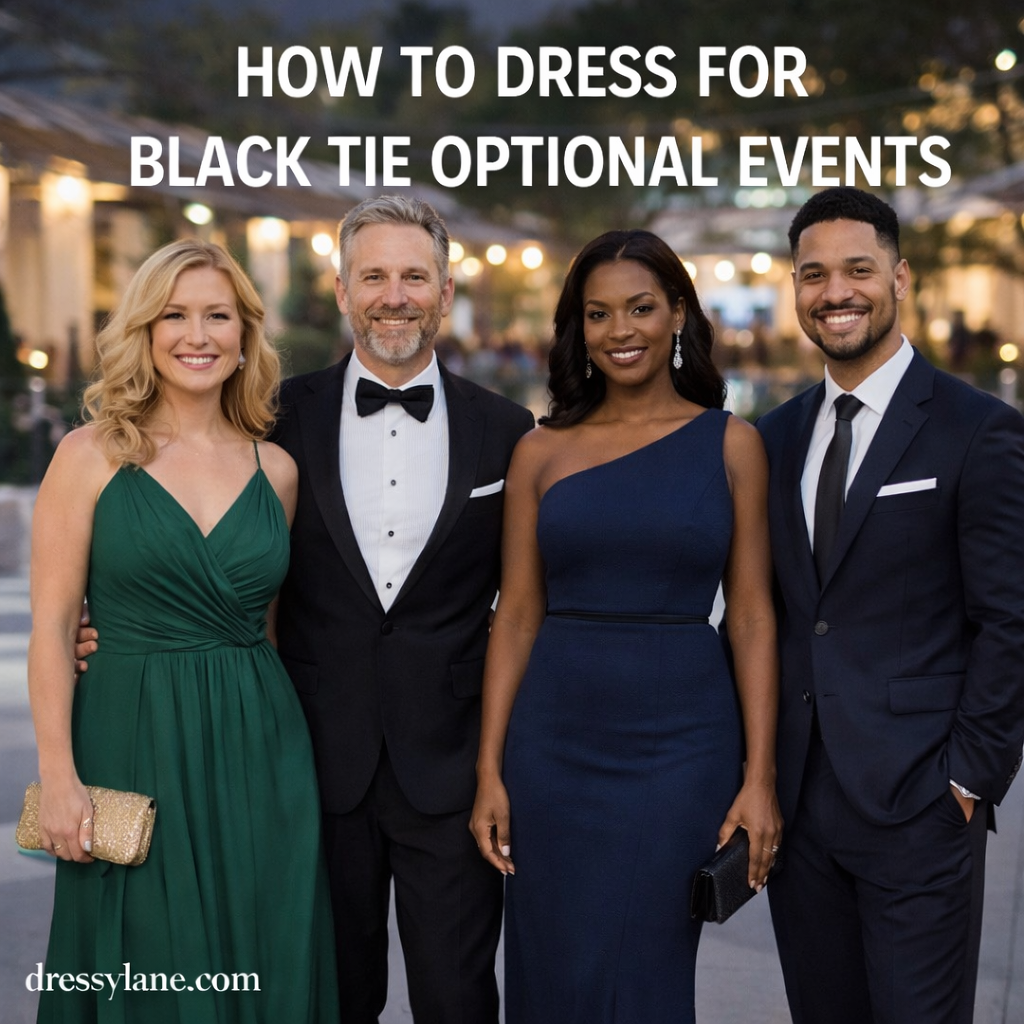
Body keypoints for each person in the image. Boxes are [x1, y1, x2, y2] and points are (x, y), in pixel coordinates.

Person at [470, 229, 782, 1024]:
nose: (621, 331)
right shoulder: (540, 453)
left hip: (680, 748)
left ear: (678, 312)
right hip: (553, 746)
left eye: (641, 308)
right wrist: (490, 768)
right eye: (599, 314)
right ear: (579, 328)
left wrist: (759, 777)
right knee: (550, 962)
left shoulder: (734, 445)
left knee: (646, 970)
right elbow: (516, 617)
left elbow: (750, 615)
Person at [30, 239, 338, 1022]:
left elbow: (262, 628)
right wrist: (60, 779)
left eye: (216, 316)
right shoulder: (90, 455)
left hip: (261, 748)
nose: (196, 335)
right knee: (141, 957)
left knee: (261, 946)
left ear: (244, 337)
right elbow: (53, 626)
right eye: (174, 315)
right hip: (128, 737)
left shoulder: (278, 472)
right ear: (145, 330)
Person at [758, 186, 1024, 1024]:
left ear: (900, 278)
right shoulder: (774, 438)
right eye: (813, 274)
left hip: (920, 803)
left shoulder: (977, 429)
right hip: (800, 813)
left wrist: (968, 779)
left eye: (858, 270)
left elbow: (1011, 618)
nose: (835, 292)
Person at [269, 196, 534, 1022]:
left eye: (414, 276)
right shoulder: (274, 418)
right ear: (342, 291)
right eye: (373, 276)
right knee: (331, 994)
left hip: (451, 768)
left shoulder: (508, 429)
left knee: (457, 999)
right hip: (313, 757)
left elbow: (528, 599)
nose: (395, 295)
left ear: (446, 291)